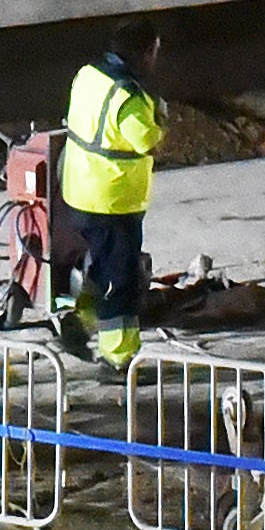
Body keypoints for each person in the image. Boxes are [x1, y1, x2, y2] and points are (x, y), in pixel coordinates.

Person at [57, 28, 166, 366]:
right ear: (145, 52)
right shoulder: (129, 97)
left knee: (102, 266)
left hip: (79, 191)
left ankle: (82, 321)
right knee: (121, 281)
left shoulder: (88, 75)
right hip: (113, 202)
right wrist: (160, 119)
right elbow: (149, 142)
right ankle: (119, 359)